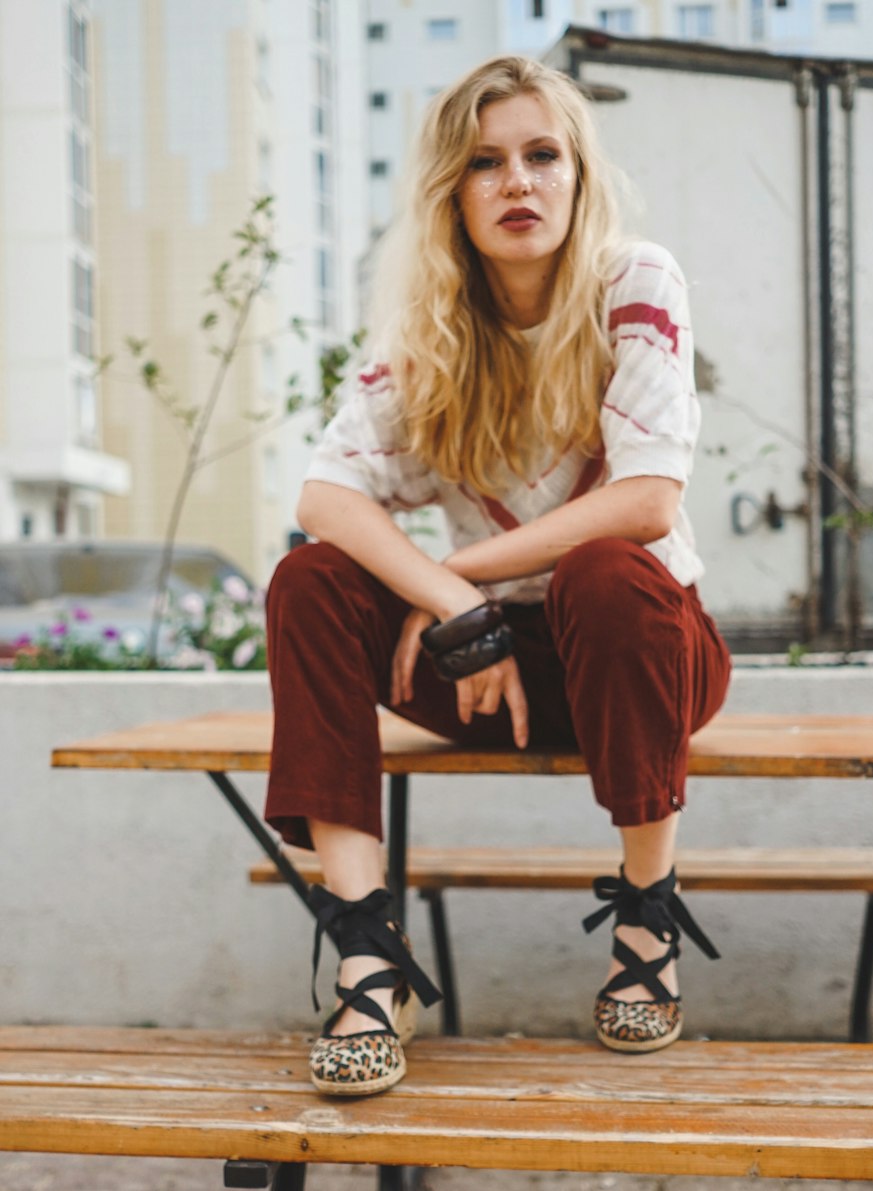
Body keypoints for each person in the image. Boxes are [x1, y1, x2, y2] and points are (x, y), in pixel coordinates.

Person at [265, 54, 731, 1097]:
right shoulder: (428, 332)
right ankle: (369, 957)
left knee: (605, 570)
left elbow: (648, 500)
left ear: (578, 176)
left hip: (644, 655)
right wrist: (457, 612)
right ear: (452, 191)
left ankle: (645, 925)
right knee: (310, 582)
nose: (516, 182)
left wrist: (454, 576)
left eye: (540, 155)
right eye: (485, 162)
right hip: (486, 675)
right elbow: (324, 497)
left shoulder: (634, 283)